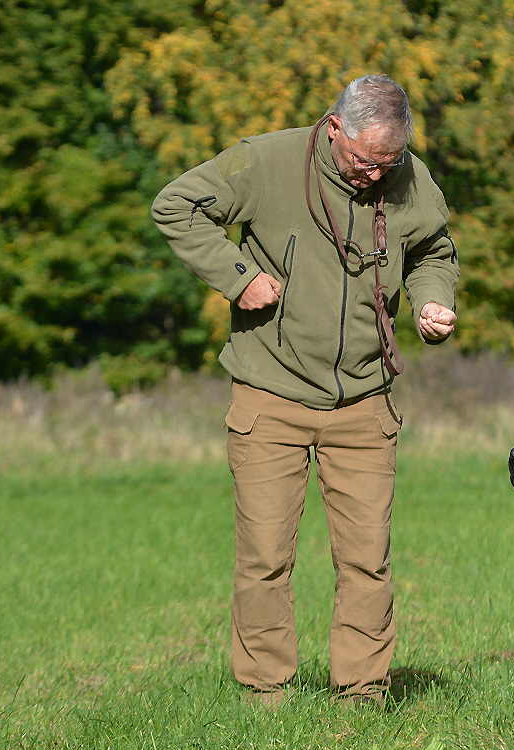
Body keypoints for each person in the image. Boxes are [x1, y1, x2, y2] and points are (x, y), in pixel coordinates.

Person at [152, 75, 459, 707]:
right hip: (270, 394)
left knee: (367, 560)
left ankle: (363, 693)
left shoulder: (408, 177)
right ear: (336, 126)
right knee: (264, 558)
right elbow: (174, 204)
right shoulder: (268, 161)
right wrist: (238, 277)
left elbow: (434, 248)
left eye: (388, 163)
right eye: (363, 161)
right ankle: (265, 696)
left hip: (365, 401)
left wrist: (433, 302)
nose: (375, 175)